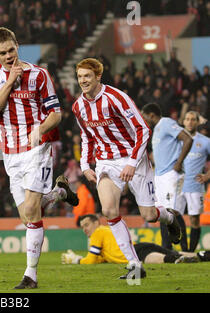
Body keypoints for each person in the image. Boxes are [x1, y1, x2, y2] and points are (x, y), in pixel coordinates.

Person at [0, 27, 78, 289]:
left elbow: (56, 113)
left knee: (32, 211)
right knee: (26, 217)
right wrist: (9, 82)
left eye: (11, 50)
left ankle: (30, 275)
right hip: (9, 154)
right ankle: (59, 194)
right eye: (2, 53)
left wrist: (40, 130)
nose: (8, 56)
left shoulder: (39, 75)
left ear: (17, 46)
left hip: (37, 149)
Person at [72, 58, 182, 280]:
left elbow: (142, 129)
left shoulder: (117, 98)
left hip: (134, 158)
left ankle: (169, 218)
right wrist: (85, 165)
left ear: (97, 77)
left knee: (149, 215)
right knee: (109, 211)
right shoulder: (78, 106)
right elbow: (86, 137)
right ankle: (135, 266)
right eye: (80, 76)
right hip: (106, 163)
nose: (83, 80)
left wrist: (132, 162)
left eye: (87, 76)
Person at [61, 214, 210, 267]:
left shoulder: (98, 232)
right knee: (172, 251)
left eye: (86, 225)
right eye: (82, 227)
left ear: (96, 222)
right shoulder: (106, 231)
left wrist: (77, 261)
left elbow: (92, 259)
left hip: (135, 252)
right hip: (139, 246)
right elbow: (102, 258)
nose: (85, 229)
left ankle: (177, 259)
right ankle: (202, 255)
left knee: (152, 258)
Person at [141, 103, 193, 251]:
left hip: (171, 174)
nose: (145, 120)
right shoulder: (156, 130)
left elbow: (188, 139)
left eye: (145, 117)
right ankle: (167, 249)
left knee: (172, 211)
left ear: (151, 115)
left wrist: (179, 162)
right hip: (160, 175)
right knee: (163, 212)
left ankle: (184, 249)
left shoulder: (167, 123)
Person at [176, 111, 210, 251]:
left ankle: (191, 252)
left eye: (193, 120)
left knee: (194, 219)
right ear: (183, 121)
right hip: (177, 184)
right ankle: (184, 249)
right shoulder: (176, 139)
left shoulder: (205, 141)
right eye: (187, 119)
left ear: (197, 122)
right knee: (175, 215)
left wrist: (207, 176)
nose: (190, 122)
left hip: (195, 185)